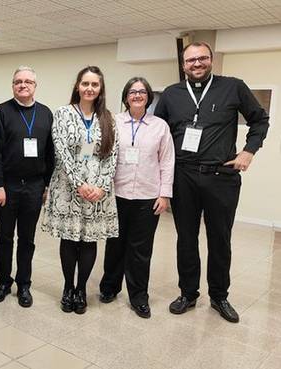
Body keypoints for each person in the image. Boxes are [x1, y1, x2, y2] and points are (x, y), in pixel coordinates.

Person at [154, 41, 269, 323]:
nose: (196, 64)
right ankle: (188, 293)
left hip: (221, 175)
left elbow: (260, 120)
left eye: (202, 58)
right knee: (186, 239)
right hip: (184, 176)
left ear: (211, 60)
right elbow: (157, 133)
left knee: (220, 239)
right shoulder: (171, 94)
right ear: (183, 65)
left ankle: (219, 296)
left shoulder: (233, 86)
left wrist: (248, 151)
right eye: (191, 60)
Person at [41, 66, 118, 315]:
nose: (89, 88)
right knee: (70, 239)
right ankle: (67, 287)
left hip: (97, 191)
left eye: (94, 85)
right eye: (85, 84)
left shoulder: (108, 117)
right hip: (68, 187)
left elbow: (112, 155)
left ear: (100, 89)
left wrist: (101, 186)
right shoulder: (63, 113)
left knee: (88, 241)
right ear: (77, 86)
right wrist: (79, 183)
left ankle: (82, 289)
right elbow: (61, 150)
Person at [98, 77, 175, 319]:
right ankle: (109, 287)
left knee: (140, 250)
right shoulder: (113, 121)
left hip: (147, 195)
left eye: (142, 92)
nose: (137, 95)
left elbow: (167, 161)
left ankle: (139, 296)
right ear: (125, 96)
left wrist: (165, 194)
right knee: (115, 245)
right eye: (132, 91)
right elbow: (101, 152)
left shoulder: (160, 126)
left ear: (148, 96)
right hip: (116, 194)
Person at [0, 66, 54, 308]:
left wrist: (46, 185)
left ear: (35, 86)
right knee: (5, 238)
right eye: (18, 81)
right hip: (8, 186)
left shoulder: (46, 114)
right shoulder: (2, 111)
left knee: (27, 239)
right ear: (12, 85)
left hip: (35, 186)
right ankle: (4, 282)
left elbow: (50, 154)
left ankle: (24, 284)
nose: (22, 85)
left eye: (27, 81)